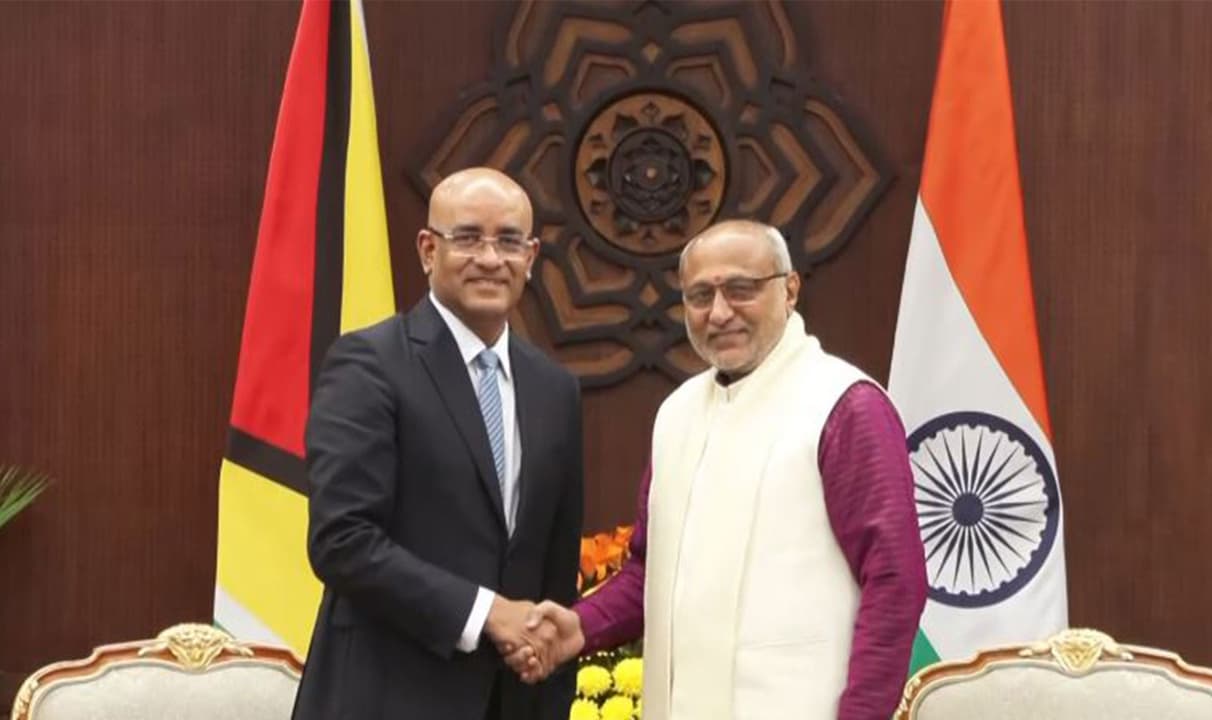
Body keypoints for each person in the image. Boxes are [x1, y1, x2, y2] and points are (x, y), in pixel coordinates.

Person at [509, 219, 927, 720]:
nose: (720, 312)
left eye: (741, 289)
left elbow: (895, 579)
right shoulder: (678, 413)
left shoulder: (844, 405)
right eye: (700, 295)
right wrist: (580, 627)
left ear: (790, 290)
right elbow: (650, 571)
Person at [292, 167, 582, 720]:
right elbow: (342, 540)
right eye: (468, 238)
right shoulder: (369, 364)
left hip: (513, 701)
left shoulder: (555, 388)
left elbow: (554, 564)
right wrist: (485, 613)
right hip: (386, 697)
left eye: (509, 241)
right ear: (428, 250)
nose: (491, 258)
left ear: (532, 255)